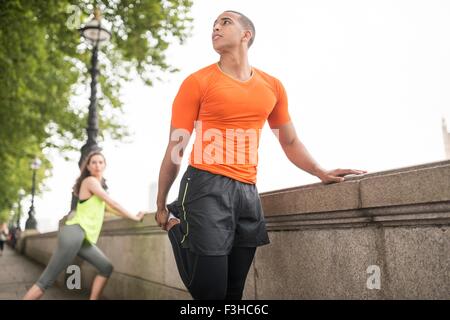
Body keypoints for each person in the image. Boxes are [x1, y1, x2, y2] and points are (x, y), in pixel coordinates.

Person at [156, 10, 367, 300]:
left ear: (247, 35)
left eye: (225, 22)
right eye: (213, 25)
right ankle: (176, 228)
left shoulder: (272, 87)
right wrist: (160, 203)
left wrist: (320, 171)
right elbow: (176, 146)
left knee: (234, 292)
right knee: (210, 293)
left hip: (247, 193)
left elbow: (289, 141)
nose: (216, 27)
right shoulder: (197, 82)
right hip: (204, 187)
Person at [23, 151, 145, 300]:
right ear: (87, 166)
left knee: (106, 267)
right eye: (93, 162)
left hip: (83, 238)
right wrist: (135, 218)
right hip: (74, 233)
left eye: (101, 162)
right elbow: (113, 202)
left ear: (105, 165)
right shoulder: (90, 181)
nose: (97, 165)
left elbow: (112, 209)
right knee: (45, 281)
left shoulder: (98, 189)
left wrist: (133, 214)